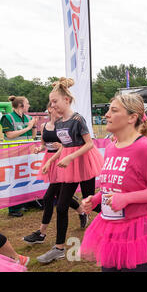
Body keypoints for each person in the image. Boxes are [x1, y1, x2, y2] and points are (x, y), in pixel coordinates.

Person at [79, 93, 147, 272]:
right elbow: (115, 185)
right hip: (111, 227)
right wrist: (96, 199)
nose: (106, 115)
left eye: (113, 110)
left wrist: (127, 198)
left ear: (132, 117)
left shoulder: (145, 148)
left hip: (138, 230)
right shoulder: (112, 147)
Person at [36, 77, 104, 264]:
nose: (53, 105)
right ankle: (58, 247)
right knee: (63, 205)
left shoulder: (77, 119)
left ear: (66, 100)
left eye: (55, 101)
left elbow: (89, 144)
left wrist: (70, 157)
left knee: (92, 202)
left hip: (84, 163)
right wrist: (51, 161)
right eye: (51, 102)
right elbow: (64, 147)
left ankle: (119, 222)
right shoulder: (58, 123)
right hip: (69, 167)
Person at [23, 102, 88, 245]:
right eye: (52, 106)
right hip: (51, 161)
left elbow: (66, 146)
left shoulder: (63, 124)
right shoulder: (44, 126)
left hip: (62, 162)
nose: (56, 108)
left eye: (56, 104)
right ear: (49, 109)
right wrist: (39, 149)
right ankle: (82, 211)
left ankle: (41, 233)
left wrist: (55, 156)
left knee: (48, 197)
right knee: (60, 195)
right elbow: (43, 144)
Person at [0, 95, 37, 217]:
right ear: (21, 105)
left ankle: (23, 203)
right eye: (27, 103)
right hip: (13, 155)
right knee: (13, 180)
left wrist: (34, 126)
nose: (29, 105)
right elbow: (9, 135)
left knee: (25, 179)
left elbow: (32, 136)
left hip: (27, 154)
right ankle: (13, 209)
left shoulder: (28, 117)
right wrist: (29, 127)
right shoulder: (7, 117)